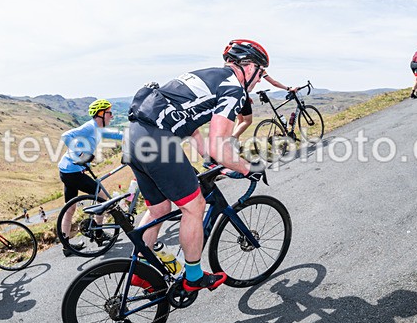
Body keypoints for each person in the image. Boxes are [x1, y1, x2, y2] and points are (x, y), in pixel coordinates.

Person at [124, 38, 268, 292]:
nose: (260, 79)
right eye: (261, 72)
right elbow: (218, 146)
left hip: (134, 137)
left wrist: (212, 161)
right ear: (248, 66)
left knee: (158, 210)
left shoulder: (203, 76)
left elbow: (191, 127)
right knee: (195, 206)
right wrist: (247, 168)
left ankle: (140, 271)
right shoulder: (234, 88)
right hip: (158, 143)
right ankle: (193, 277)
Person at [57, 98, 117, 254]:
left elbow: (116, 135)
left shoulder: (97, 129)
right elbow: (66, 136)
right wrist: (80, 156)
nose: (112, 116)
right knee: (103, 199)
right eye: (110, 113)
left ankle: (66, 245)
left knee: (69, 208)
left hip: (67, 171)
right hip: (72, 172)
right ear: (101, 114)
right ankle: (98, 233)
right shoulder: (90, 127)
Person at [232, 73, 298, 138]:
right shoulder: (259, 68)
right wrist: (289, 89)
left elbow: (242, 83)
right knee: (248, 121)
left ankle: (234, 145)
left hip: (234, 93)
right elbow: (274, 83)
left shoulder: (246, 66)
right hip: (242, 93)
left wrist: (247, 96)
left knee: (240, 120)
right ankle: (232, 140)